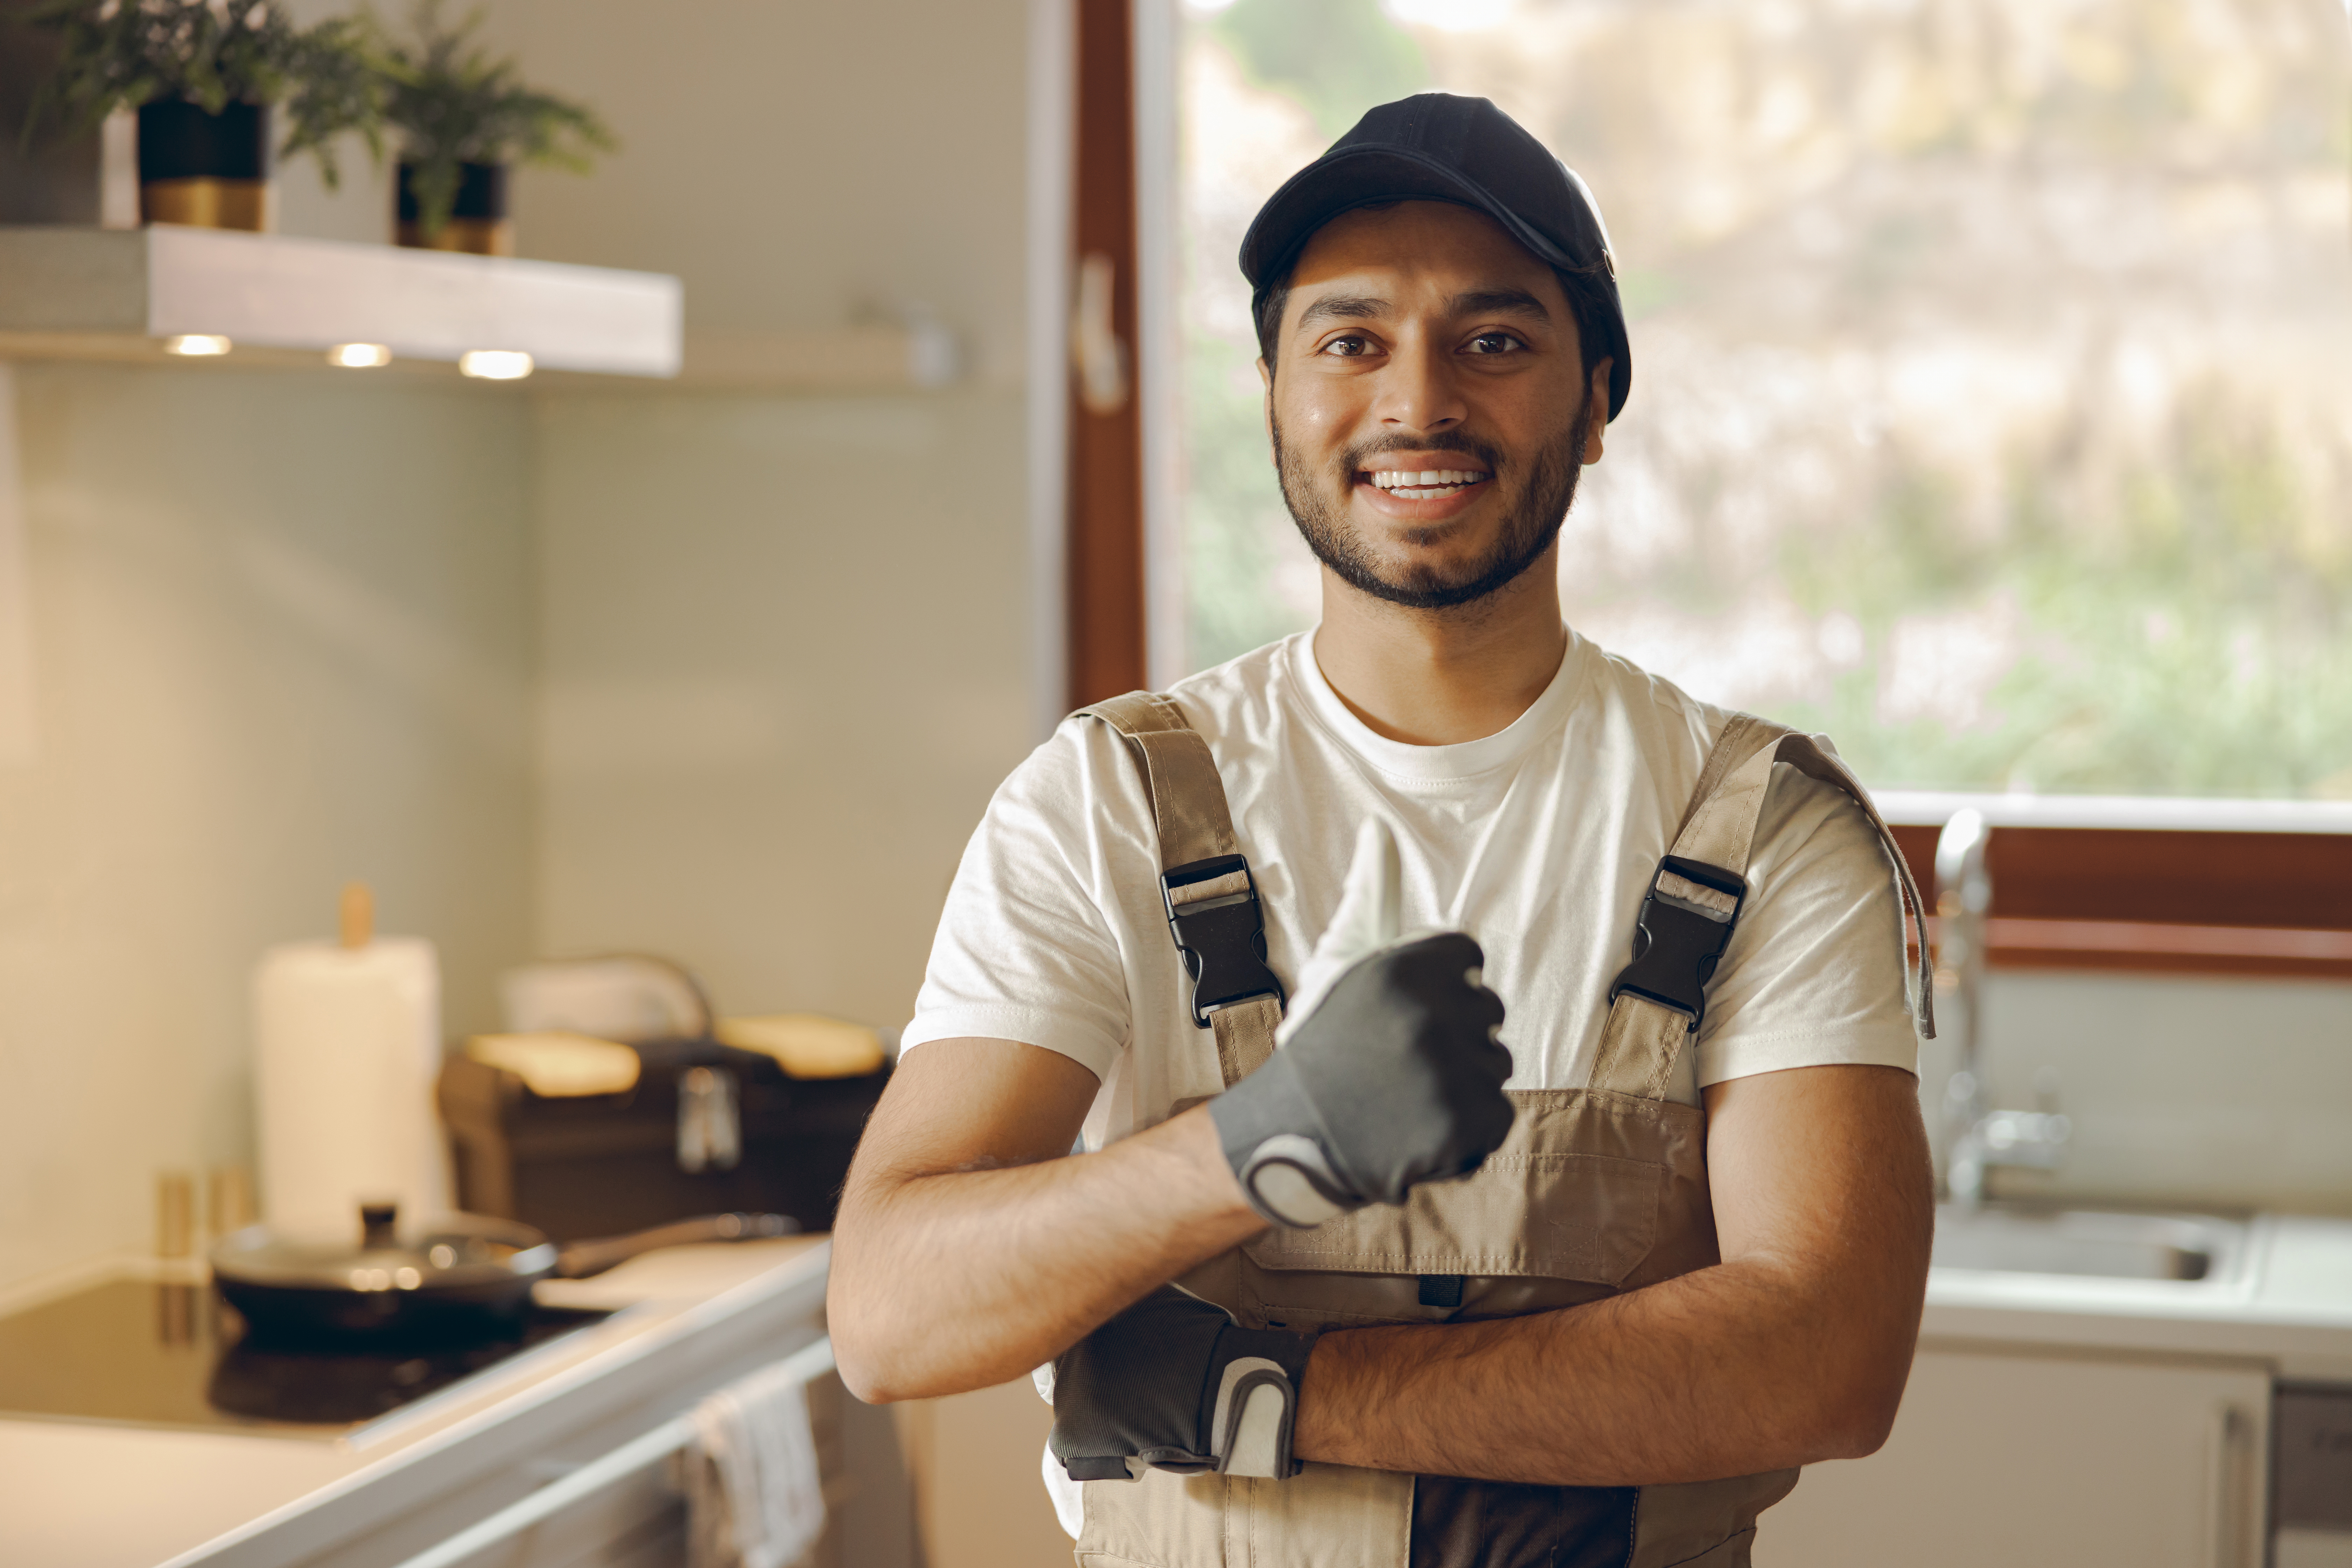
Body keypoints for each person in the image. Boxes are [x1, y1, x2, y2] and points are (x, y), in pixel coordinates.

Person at [829, 93, 1935, 1568]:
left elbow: (1825, 1359)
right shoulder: (1103, 802)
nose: (1417, 404)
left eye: (1495, 342)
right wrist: (1248, 1145)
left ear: (1598, 398)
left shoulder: (1764, 828)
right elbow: (889, 1312)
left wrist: (1263, 1394)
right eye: (1351, 341)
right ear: (1279, 395)